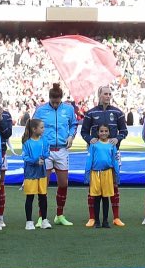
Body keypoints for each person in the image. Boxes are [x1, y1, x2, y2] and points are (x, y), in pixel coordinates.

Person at [80, 87, 128, 230]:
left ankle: (116, 217)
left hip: (113, 154)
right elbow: (83, 132)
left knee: (114, 186)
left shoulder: (118, 112)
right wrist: (90, 139)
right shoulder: (91, 113)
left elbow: (124, 131)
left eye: (109, 94)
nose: (108, 96)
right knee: (93, 188)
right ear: (99, 95)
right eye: (105, 94)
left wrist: (117, 138)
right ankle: (92, 218)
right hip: (96, 154)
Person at [31, 82, 78, 227]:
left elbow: (73, 124)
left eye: (58, 102)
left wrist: (71, 136)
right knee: (42, 184)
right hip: (46, 151)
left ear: (61, 99)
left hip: (62, 150)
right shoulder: (41, 110)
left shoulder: (69, 109)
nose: (56, 104)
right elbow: (32, 126)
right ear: (49, 99)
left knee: (63, 183)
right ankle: (41, 217)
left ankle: (59, 215)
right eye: (53, 102)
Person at [21, 116, 51, 229]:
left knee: (43, 196)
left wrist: (43, 157)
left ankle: (44, 220)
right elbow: (25, 157)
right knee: (30, 197)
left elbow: (47, 152)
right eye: (42, 127)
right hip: (30, 174)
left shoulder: (44, 140)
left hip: (42, 173)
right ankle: (29, 221)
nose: (43, 130)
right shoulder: (27, 142)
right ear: (34, 129)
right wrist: (35, 160)